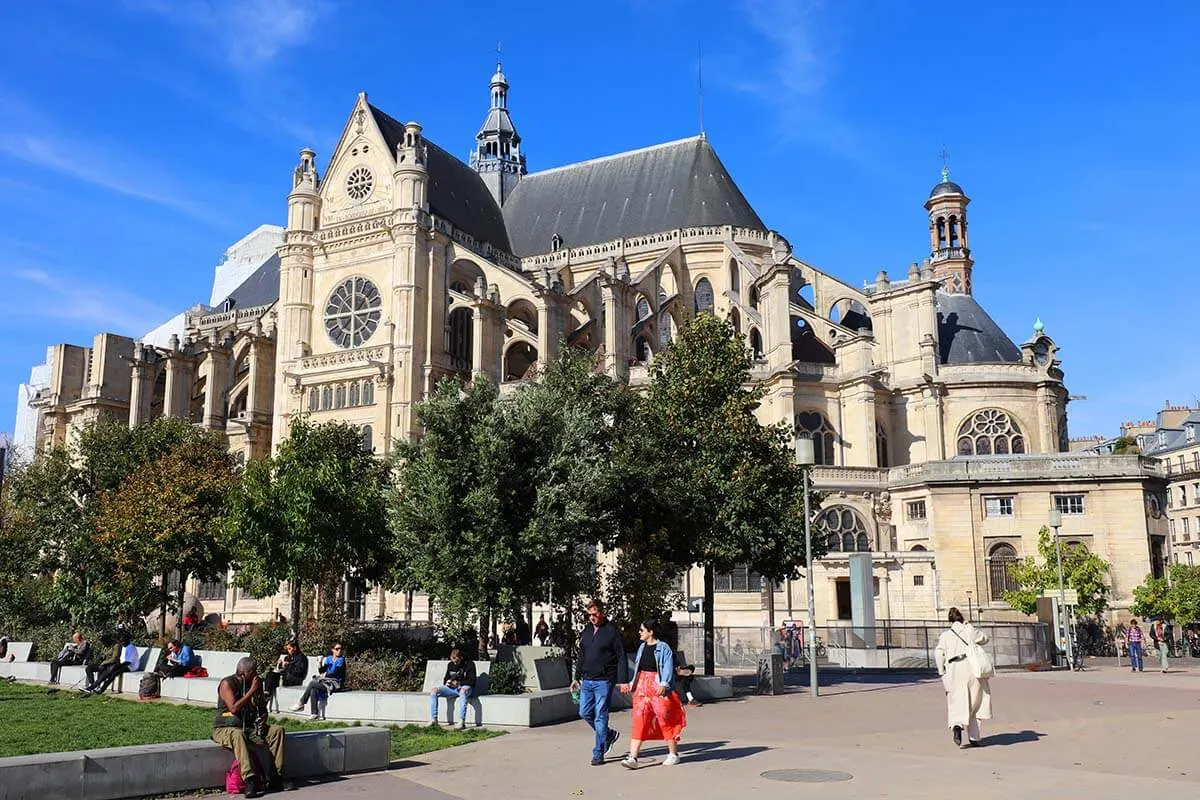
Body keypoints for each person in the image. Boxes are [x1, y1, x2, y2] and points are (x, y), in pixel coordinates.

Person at [212, 657, 294, 797]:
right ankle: (250, 780)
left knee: (277, 731)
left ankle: (275, 778)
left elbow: (263, 709)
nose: (256, 675)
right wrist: (251, 691)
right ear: (244, 674)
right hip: (225, 728)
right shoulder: (227, 683)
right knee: (238, 734)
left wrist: (263, 717)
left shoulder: (255, 684)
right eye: (254, 672)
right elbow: (233, 708)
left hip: (249, 727)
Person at [618, 619, 686, 769]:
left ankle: (673, 754)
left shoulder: (663, 648)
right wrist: (632, 684)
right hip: (642, 687)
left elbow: (667, 667)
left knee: (664, 718)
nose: (639, 633)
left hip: (657, 686)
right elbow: (638, 669)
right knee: (639, 720)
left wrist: (664, 684)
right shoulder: (642, 647)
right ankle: (633, 757)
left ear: (651, 632)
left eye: (642, 630)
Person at [571, 599, 625, 766]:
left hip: (604, 681)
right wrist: (576, 677)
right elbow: (582, 655)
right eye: (589, 615)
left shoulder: (611, 632)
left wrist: (622, 680)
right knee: (584, 712)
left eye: (595, 614)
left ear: (602, 613)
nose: (592, 618)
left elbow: (621, 655)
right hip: (587, 680)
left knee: (601, 716)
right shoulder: (587, 631)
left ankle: (598, 752)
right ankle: (608, 735)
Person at [934, 607, 992, 748]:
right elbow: (985, 639)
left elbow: (938, 653)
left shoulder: (945, 636)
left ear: (950, 621)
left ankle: (957, 725)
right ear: (961, 618)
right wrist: (969, 625)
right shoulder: (969, 630)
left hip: (954, 668)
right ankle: (974, 737)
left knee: (956, 700)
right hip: (972, 668)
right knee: (975, 702)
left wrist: (942, 671)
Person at [290, 642, 346, 720]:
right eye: (337, 649)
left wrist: (323, 676)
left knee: (313, 683)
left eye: (341, 649)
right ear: (332, 650)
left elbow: (335, 673)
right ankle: (314, 713)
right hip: (327, 682)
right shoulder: (329, 659)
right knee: (313, 689)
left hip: (336, 684)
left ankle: (301, 703)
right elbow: (322, 671)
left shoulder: (341, 660)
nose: (339, 651)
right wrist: (320, 662)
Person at [429, 647, 476, 729]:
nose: (455, 663)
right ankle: (434, 719)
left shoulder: (470, 664)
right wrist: (448, 682)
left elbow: (472, 681)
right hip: (452, 688)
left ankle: (462, 721)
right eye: (453, 661)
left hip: (465, 687)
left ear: (461, 658)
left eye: (457, 661)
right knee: (434, 691)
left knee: (463, 691)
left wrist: (459, 683)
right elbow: (445, 679)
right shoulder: (450, 665)